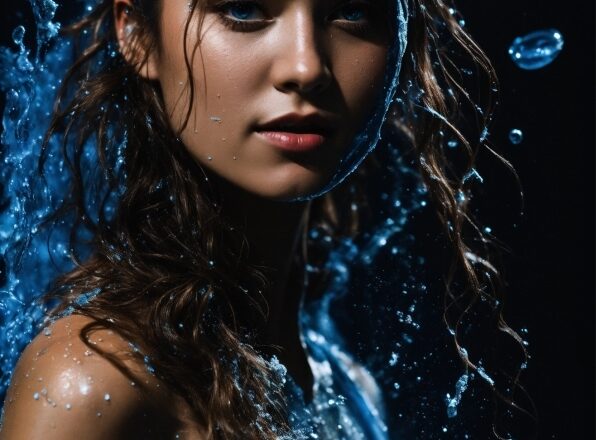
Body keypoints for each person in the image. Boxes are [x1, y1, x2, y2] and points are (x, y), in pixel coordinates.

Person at [0, 0, 528, 438]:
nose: (306, 67)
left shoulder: (347, 385)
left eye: (350, 11)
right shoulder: (92, 382)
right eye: (243, 9)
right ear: (137, 33)